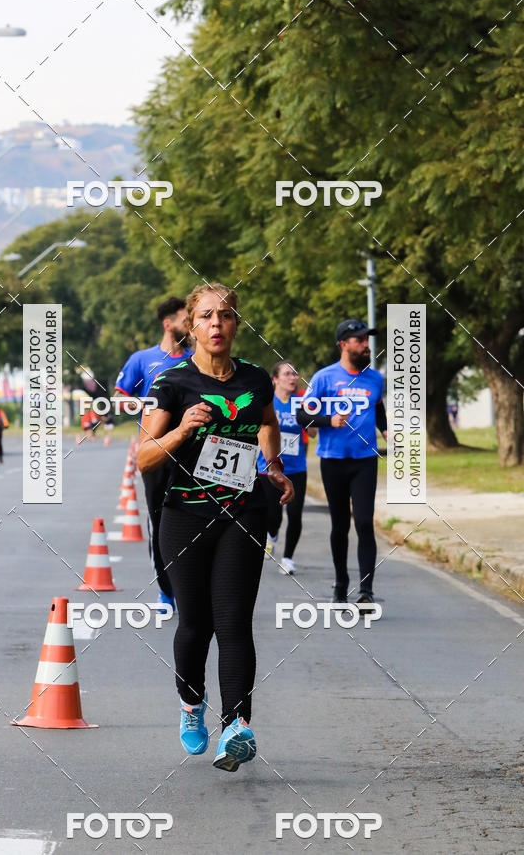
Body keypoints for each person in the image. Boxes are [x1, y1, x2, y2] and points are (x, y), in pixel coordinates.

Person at [138, 283, 293, 772]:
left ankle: (236, 726)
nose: (216, 324)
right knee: (195, 624)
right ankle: (191, 705)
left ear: (236, 324)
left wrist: (273, 465)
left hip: (242, 511)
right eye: (206, 316)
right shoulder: (172, 382)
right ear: (191, 325)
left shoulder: (255, 378)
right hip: (185, 515)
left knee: (234, 621)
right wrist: (183, 429)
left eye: (225, 315)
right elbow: (143, 457)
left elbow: (268, 422)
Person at [296, 319, 387, 610]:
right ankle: (340, 582)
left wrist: (386, 430)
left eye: (367, 340)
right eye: (360, 340)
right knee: (340, 524)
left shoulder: (375, 379)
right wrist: (328, 420)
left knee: (364, 523)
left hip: (365, 460)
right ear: (344, 345)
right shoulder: (324, 378)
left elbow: (378, 407)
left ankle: (366, 590)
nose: (366, 345)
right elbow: (302, 415)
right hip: (333, 460)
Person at [114, 297, 193, 611]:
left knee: (193, 520)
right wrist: (151, 405)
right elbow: (119, 399)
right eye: (186, 320)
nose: (191, 326)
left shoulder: (196, 360)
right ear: (168, 323)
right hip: (155, 452)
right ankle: (166, 592)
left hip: (191, 452)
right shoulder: (142, 359)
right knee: (159, 523)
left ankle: (191, 589)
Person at [257, 362, 316, 575]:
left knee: (295, 513)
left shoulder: (301, 402)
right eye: (287, 374)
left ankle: (288, 559)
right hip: (268, 466)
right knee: (273, 515)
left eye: (295, 374)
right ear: (275, 379)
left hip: (296, 467)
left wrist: (309, 417)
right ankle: (271, 535)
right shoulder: (267, 402)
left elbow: (314, 433)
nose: (293, 378)